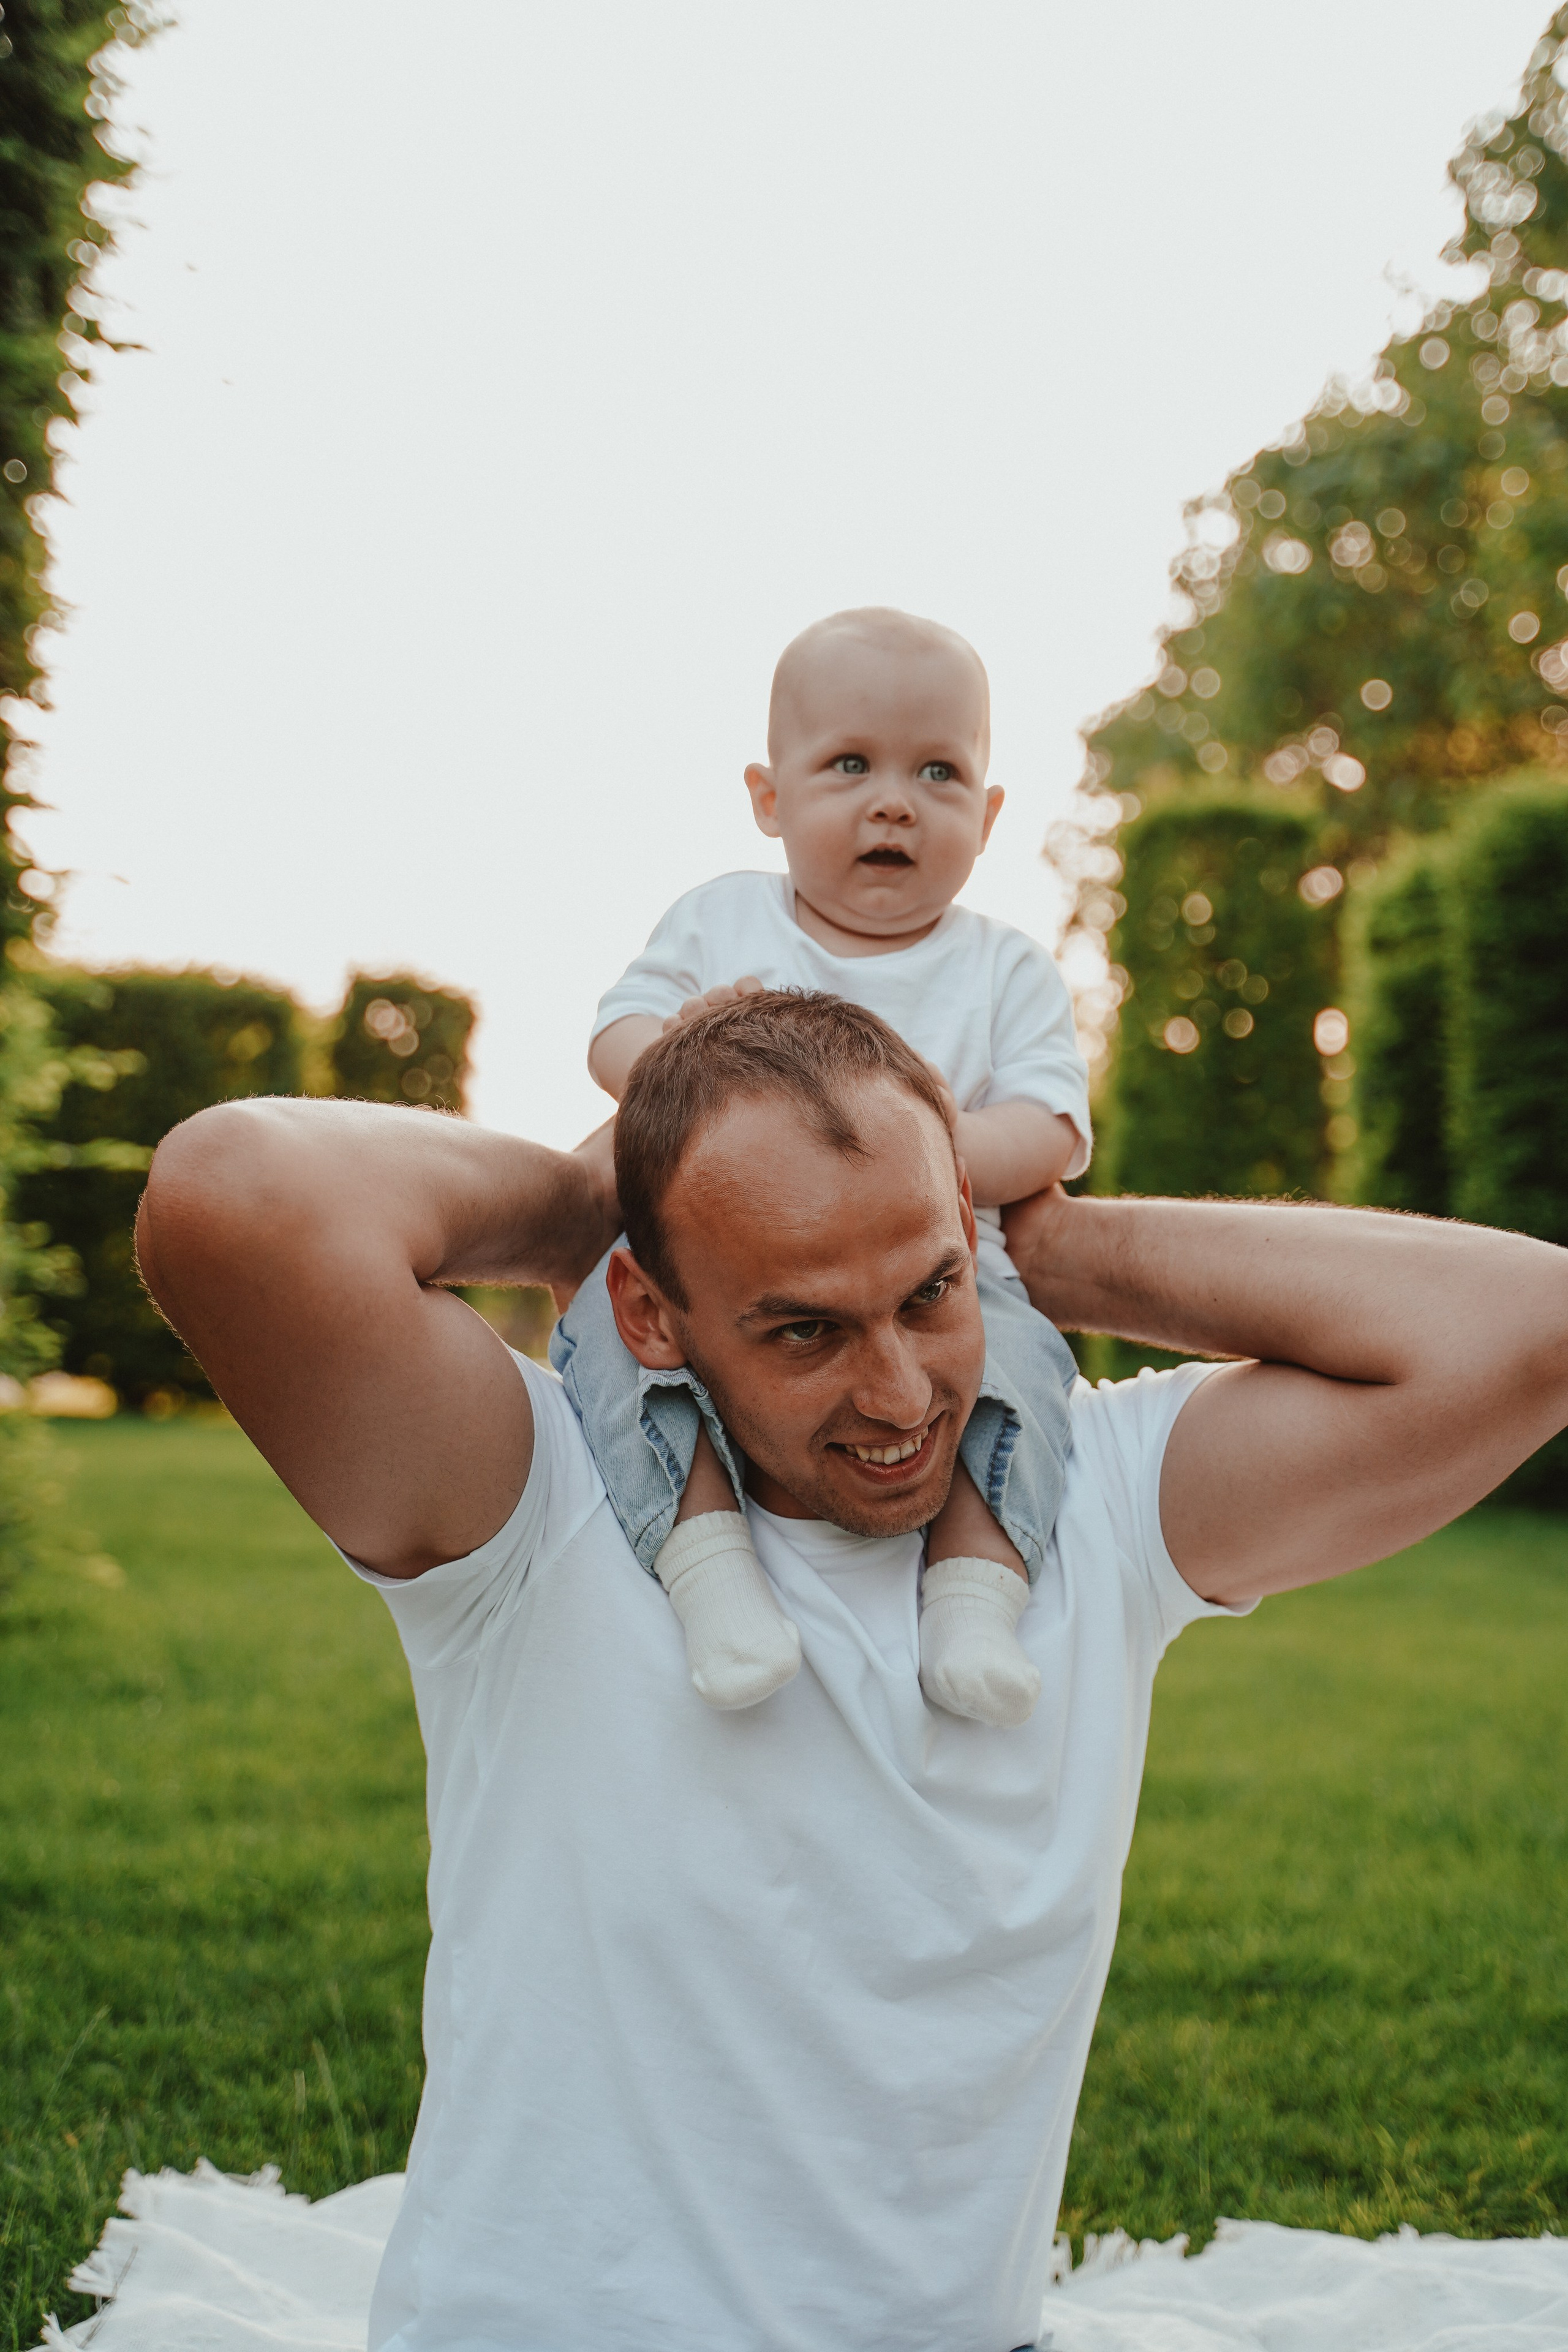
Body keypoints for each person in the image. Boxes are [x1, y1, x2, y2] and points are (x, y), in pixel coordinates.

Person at [135, 990, 1568, 2352]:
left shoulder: (1094, 1503)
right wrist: (598, 1206)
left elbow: (1525, 1329)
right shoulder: (530, 1501)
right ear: (645, 1315)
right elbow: (236, 1196)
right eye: (804, 1327)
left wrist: (1051, 1254)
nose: (897, 1395)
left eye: (927, 1294)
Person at [558, 604, 1090, 1727]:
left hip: (950, 1277)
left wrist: (916, 1146)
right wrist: (683, 1065)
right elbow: (616, 1039)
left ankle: (976, 1591)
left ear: (989, 816)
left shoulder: (1003, 972)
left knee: (1031, 1378)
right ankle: (708, 1570)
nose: (893, 800)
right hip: (729, 1267)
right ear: (770, 797)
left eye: (939, 772)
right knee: (612, 1349)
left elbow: (1047, 1129)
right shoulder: (723, 922)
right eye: (849, 764)